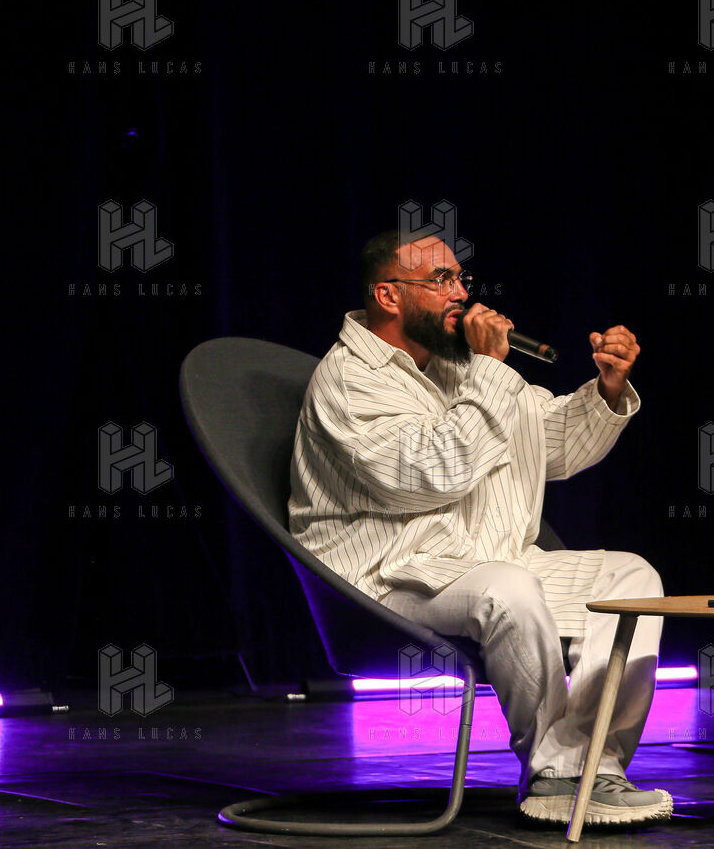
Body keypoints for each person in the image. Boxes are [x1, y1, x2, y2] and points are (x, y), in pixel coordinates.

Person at [288, 229, 672, 826]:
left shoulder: (459, 366)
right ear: (388, 296)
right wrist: (490, 369)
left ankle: (590, 766)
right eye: (440, 279)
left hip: (476, 561)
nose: (461, 293)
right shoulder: (348, 380)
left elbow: (551, 444)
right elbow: (430, 475)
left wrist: (606, 388)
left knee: (631, 579)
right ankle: (555, 776)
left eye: (459, 277)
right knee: (507, 589)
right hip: (387, 577)